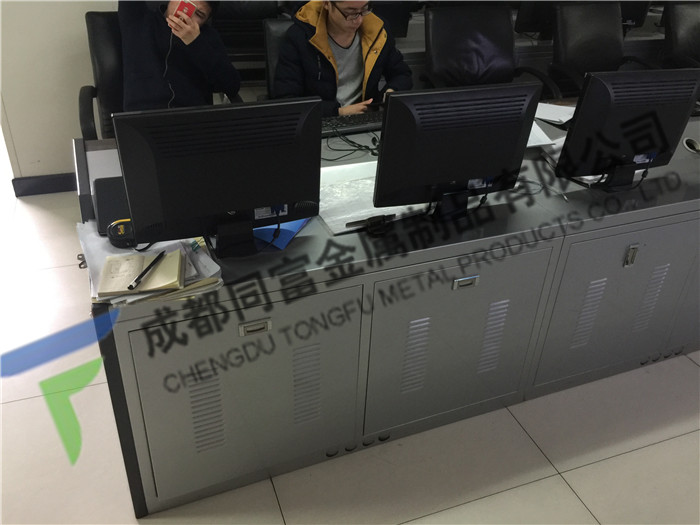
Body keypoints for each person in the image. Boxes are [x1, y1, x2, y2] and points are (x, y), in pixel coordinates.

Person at [274, 1, 413, 117]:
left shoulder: (377, 31)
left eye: (364, 9)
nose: (359, 19)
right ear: (327, 4)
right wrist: (339, 112)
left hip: (367, 117)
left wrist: (389, 94)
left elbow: (402, 74)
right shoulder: (300, 37)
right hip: (319, 121)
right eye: (350, 12)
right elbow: (287, 101)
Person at [119, 1, 241, 111]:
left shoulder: (208, 37)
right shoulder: (139, 20)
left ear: (206, 20)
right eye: (185, 2)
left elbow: (232, 86)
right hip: (142, 115)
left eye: (199, 14)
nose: (187, 15)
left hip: (192, 116)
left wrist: (196, 44)